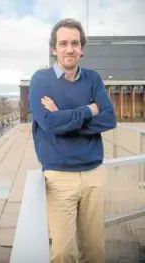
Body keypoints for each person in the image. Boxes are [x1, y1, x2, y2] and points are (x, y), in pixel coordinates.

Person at [29, 18, 117, 263]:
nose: (70, 49)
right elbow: (48, 123)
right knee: (63, 253)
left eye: (75, 43)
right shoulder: (41, 80)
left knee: (95, 251)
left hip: (93, 175)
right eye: (63, 43)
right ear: (53, 49)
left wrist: (64, 120)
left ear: (82, 48)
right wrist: (88, 111)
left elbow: (109, 119)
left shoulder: (93, 78)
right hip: (59, 177)